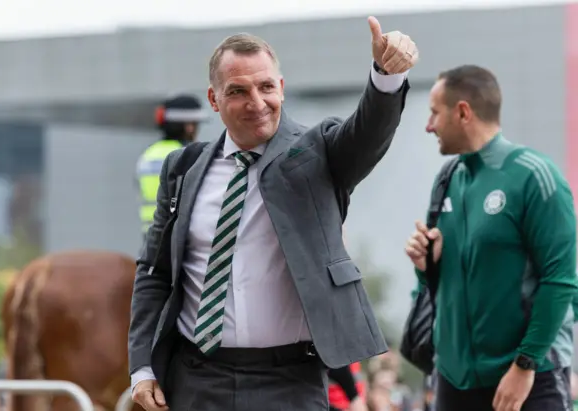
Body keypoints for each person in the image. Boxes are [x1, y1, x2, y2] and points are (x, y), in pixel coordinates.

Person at [129, 16, 418, 411]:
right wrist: (142, 367)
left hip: (290, 381)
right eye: (238, 90)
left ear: (281, 89)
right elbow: (154, 273)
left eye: (266, 87)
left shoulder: (319, 152)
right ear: (213, 100)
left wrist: (385, 76)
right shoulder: (183, 168)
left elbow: (365, 135)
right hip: (196, 378)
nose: (256, 102)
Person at [405, 64, 577, 411]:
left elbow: (561, 281)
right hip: (454, 383)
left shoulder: (534, 175)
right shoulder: (447, 179)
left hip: (526, 377)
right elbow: (437, 286)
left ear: (463, 112)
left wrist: (525, 365)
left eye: (434, 113)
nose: (429, 125)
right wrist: (426, 266)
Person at [136, 94, 207, 233]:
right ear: (189, 127)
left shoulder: (148, 155)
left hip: (151, 234)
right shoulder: (187, 155)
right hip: (177, 236)